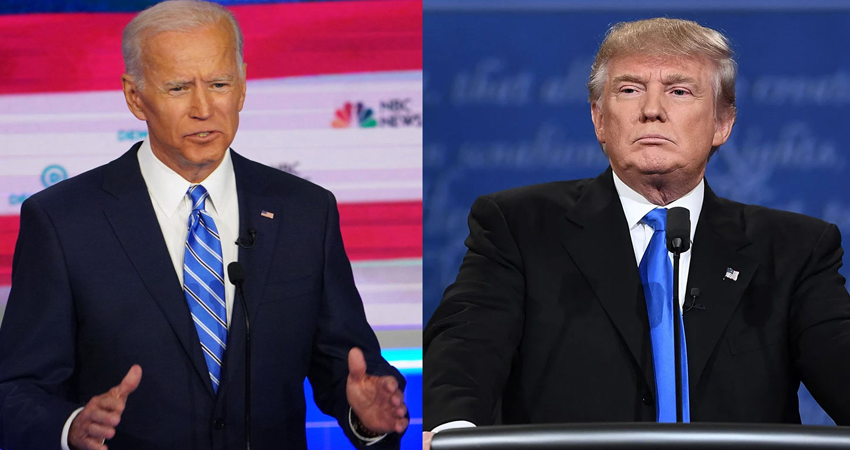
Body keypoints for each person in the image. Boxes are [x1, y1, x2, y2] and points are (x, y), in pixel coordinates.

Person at [423, 17, 850, 448]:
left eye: (679, 91)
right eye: (629, 90)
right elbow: (467, 342)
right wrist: (454, 431)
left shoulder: (793, 250)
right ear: (599, 119)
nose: (651, 110)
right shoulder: (519, 226)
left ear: (722, 123)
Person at [0, 1, 408, 449]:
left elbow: (349, 368)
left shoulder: (305, 212)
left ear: (242, 87)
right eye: (178, 88)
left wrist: (368, 417)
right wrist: (70, 426)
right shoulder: (63, 221)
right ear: (135, 97)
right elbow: (16, 389)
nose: (203, 108)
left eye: (219, 84)